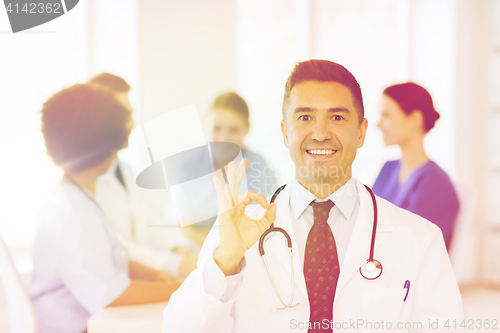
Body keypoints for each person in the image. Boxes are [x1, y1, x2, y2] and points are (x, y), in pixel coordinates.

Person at [163, 60, 464, 332]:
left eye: (336, 118)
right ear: (284, 132)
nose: (320, 133)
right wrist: (224, 262)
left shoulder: (420, 239)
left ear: (361, 133)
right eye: (305, 117)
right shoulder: (235, 234)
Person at [29, 84, 183, 333]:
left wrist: (158, 276)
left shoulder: (76, 199)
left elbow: (114, 262)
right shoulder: (74, 212)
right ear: (107, 144)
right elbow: (110, 294)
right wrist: (181, 287)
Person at [88, 72, 198, 277]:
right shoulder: (86, 184)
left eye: (130, 114)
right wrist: (177, 263)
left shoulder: (127, 172)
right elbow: (115, 249)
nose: (131, 124)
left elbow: (153, 219)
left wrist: (180, 247)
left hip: (134, 281)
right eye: (122, 115)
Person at [372, 82, 460, 249]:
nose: (378, 124)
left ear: (415, 119)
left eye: (387, 115)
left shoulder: (435, 183)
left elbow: (412, 247)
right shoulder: (388, 169)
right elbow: (366, 218)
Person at [206, 92, 277, 196]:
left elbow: (262, 209)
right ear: (205, 124)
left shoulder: (258, 167)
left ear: (247, 128)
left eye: (233, 130)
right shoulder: (187, 166)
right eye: (217, 128)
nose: (223, 138)